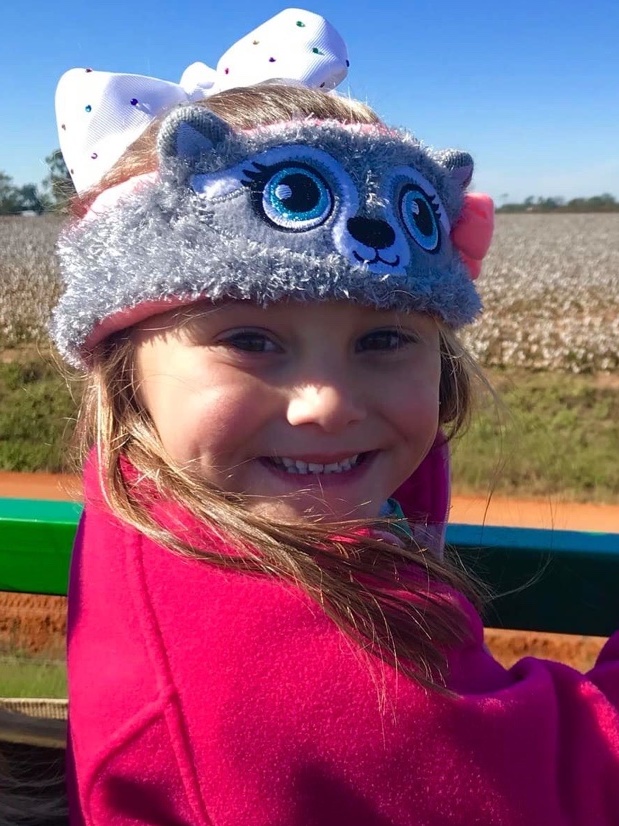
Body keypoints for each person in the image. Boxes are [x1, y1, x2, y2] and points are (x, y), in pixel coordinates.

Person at [49, 9, 619, 826]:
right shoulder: (306, 668)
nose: (327, 404)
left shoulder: (166, 498)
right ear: (123, 365)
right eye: (250, 340)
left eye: (382, 340)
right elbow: (570, 785)